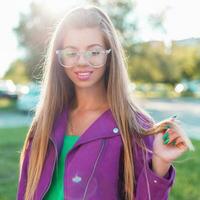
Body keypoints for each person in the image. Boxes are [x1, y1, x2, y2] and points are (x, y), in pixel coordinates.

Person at [17, 5, 194, 200]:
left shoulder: (135, 125)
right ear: (58, 57)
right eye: (71, 52)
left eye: (94, 52)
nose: (82, 61)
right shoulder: (45, 123)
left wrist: (160, 163)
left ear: (109, 56)